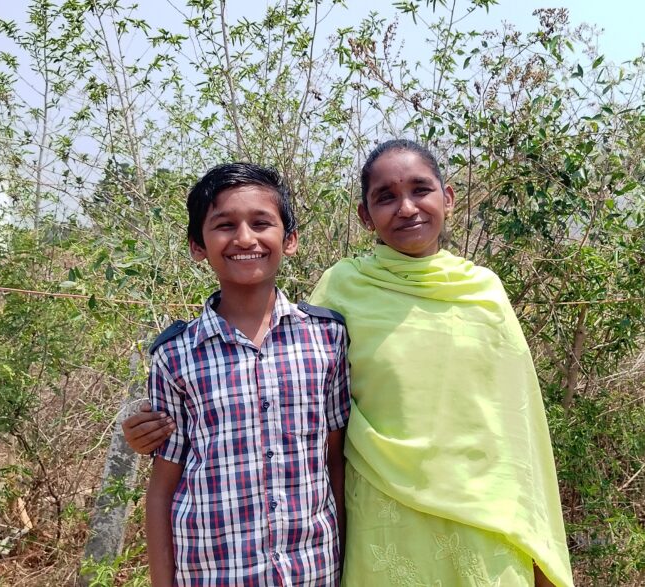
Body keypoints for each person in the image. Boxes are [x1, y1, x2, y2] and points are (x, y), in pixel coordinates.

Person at [126, 142, 575, 586]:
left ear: (449, 197)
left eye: (421, 190)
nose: (406, 208)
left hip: (482, 510)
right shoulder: (342, 292)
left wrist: (532, 531)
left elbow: (519, 422)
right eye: (385, 197)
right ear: (365, 215)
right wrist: (147, 429)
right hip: (383, 513)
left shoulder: (484, 293)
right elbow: (296, 412)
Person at [142, 163, 351, 587]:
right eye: (224, 225)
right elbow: (163, 488)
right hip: (213, 572)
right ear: (198, 245)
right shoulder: (176, 355)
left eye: (261, 223)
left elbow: (335, 465)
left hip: (311, 571)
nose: (244, 238)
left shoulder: (328, 339)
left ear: (289, 240)